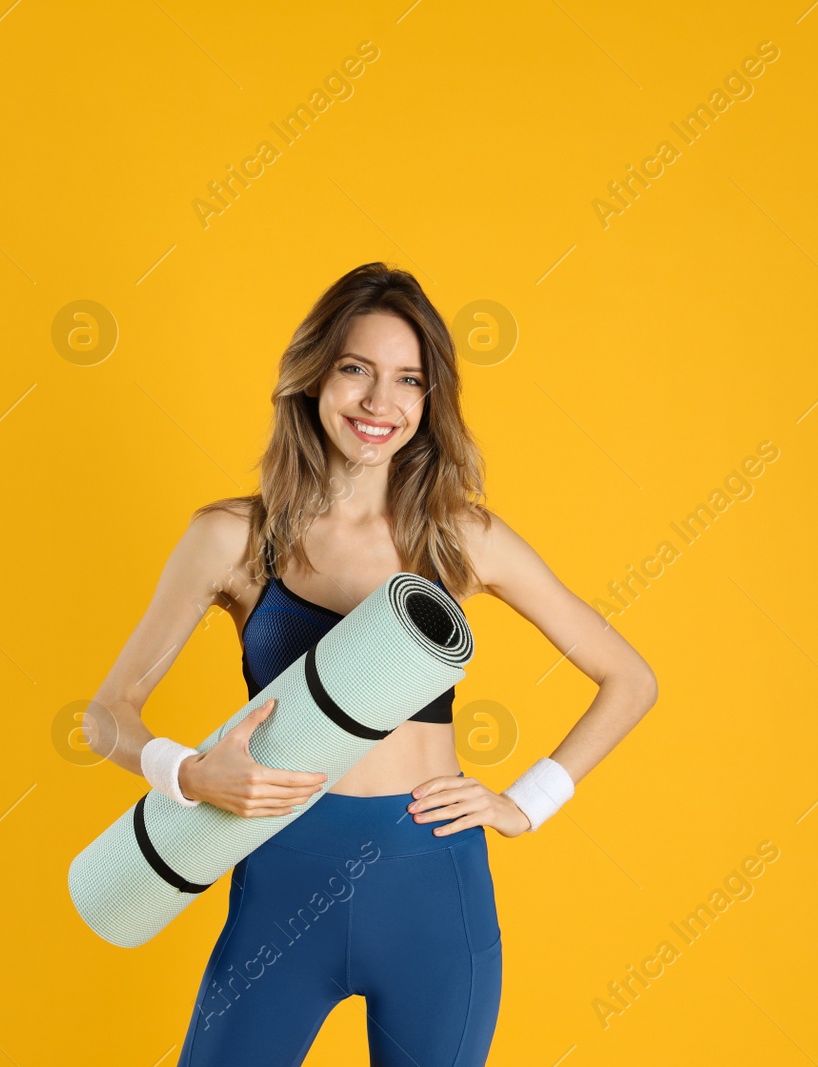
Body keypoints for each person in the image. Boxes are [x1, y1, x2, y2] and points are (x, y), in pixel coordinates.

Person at [84, 262, 658, 1066]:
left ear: (429, 401)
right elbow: (107, 713)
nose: (378, 403)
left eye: (407, 380)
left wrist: (526, 801)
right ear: (315, 375)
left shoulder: (461, 539)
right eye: (356, 369)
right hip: (280, 873)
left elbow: (630, 678)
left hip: (432, 885)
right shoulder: (236, 539)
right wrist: (191, 775)